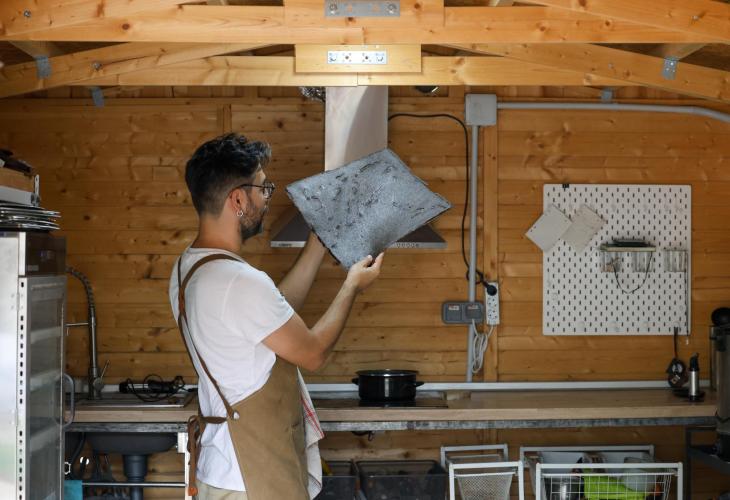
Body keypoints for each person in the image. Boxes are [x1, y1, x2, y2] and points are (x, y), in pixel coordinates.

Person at [168, 133, 384, 500]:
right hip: (254, 479)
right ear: (238, 199)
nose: (268, 197)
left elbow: (272, 313)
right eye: (263, 187)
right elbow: (313, 352)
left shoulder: (188, 269)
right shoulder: (238, 282)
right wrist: (351, 286)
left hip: (222, 472)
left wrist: (317, 242)